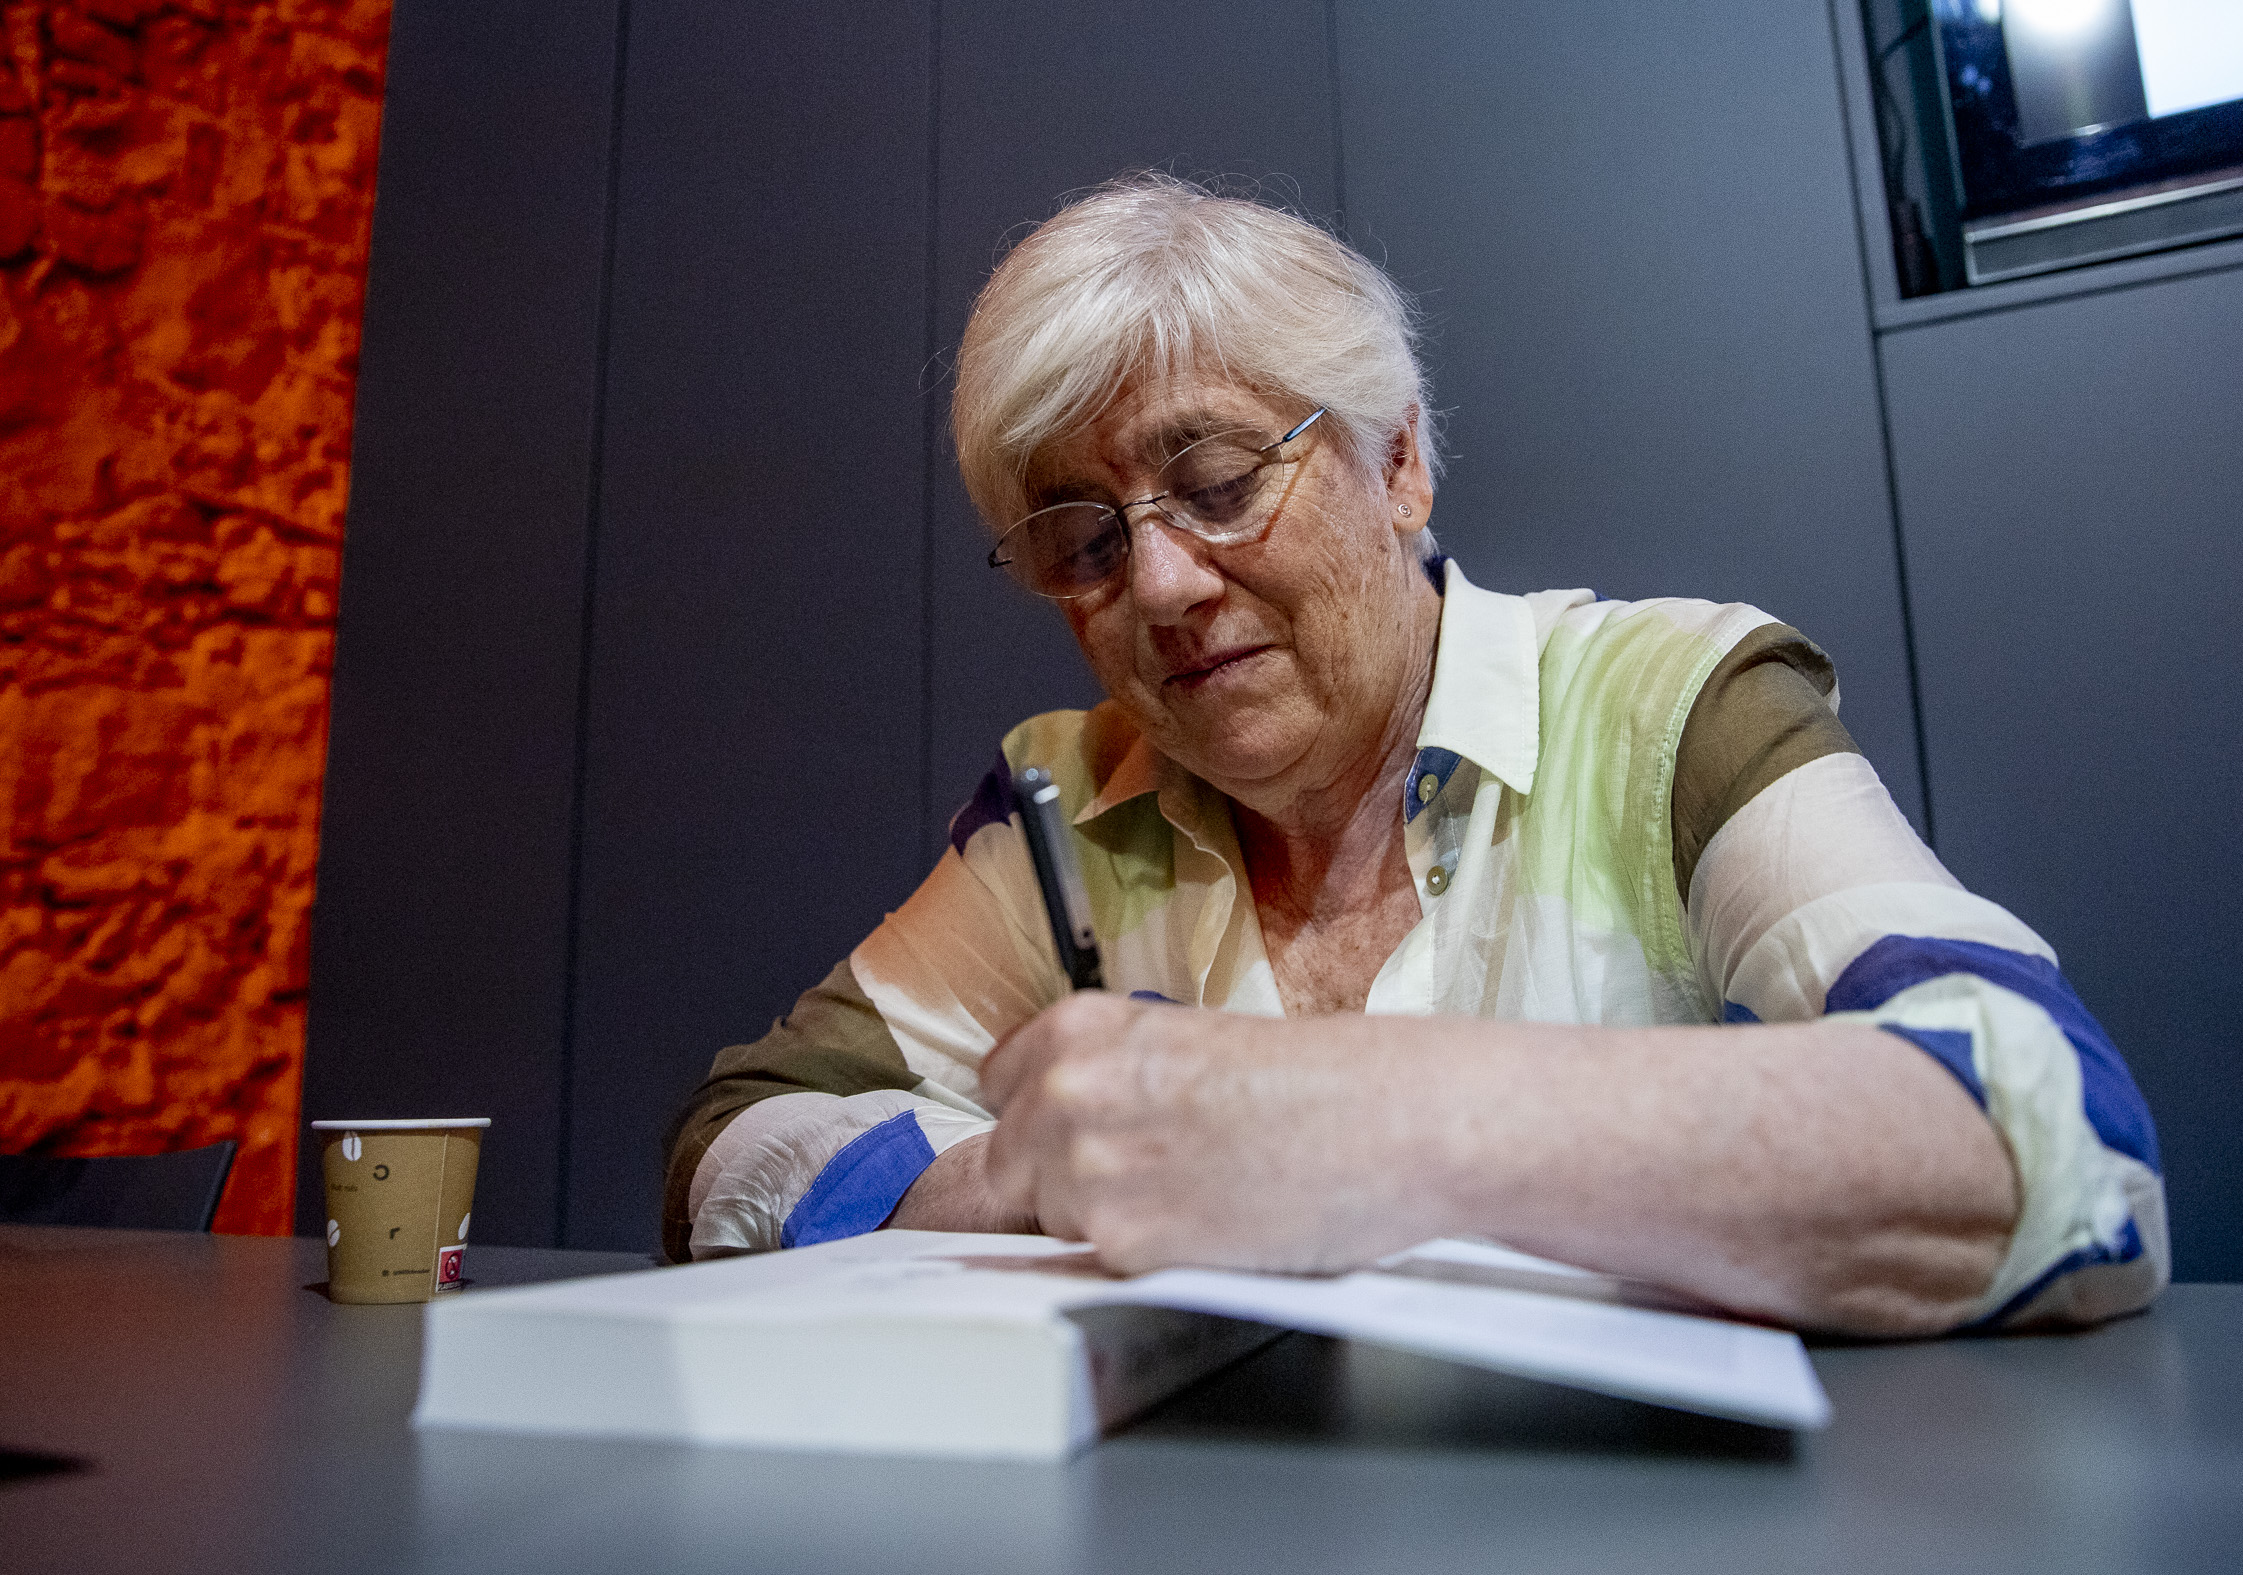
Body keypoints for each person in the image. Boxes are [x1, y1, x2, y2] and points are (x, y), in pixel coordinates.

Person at [662, 174, 2166, 1336]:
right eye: (1084, 538)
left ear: (1401, 464)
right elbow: (736, 1139)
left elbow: (2051, 1127)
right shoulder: (1072, 802)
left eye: (1219, 478)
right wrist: (1016, 1174)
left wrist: (1370, 1119)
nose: (1165, 585)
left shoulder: (1671, 705)